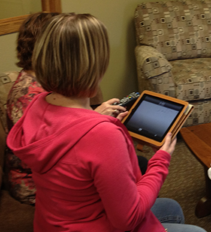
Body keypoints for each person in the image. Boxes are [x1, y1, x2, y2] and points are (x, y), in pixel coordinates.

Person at [7, 13, 205, 232]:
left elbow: (69, 140)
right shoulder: (102, 135)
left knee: (172, 208)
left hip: (54, 223)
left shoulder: (36, 105)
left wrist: (95, 120)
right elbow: (127, 220)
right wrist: (161, 161)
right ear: (95, 65)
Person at [5, 12, 148, 205]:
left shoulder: (45, 92)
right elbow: (53, 150)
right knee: (140, 170)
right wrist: (162, 160)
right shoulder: (31, 97)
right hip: (43, 184)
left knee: (135, 164)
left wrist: (96, 117)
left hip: (56, 176)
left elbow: (60, 133)